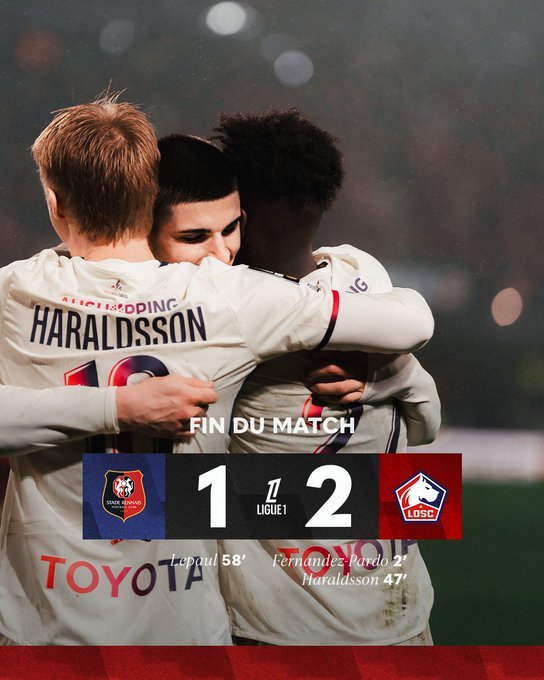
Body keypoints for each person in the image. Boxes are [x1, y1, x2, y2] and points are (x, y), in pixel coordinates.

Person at [0, 97, 433, 645]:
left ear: (55, 202)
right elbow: (413, 321)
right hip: (186, 628)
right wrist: (123, 407)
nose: (220, 253)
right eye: (195, 236)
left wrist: (111, 408)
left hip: (42, 627)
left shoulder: (16, 291)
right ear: (147, 204)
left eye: (231, 230)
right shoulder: (229, 297)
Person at [212, 108, 438, 645]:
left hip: (281, 631)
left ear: (239, 209)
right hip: (401, 618)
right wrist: (398, 376)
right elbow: (426, 428)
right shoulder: (363, 273)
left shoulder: (226, 307)